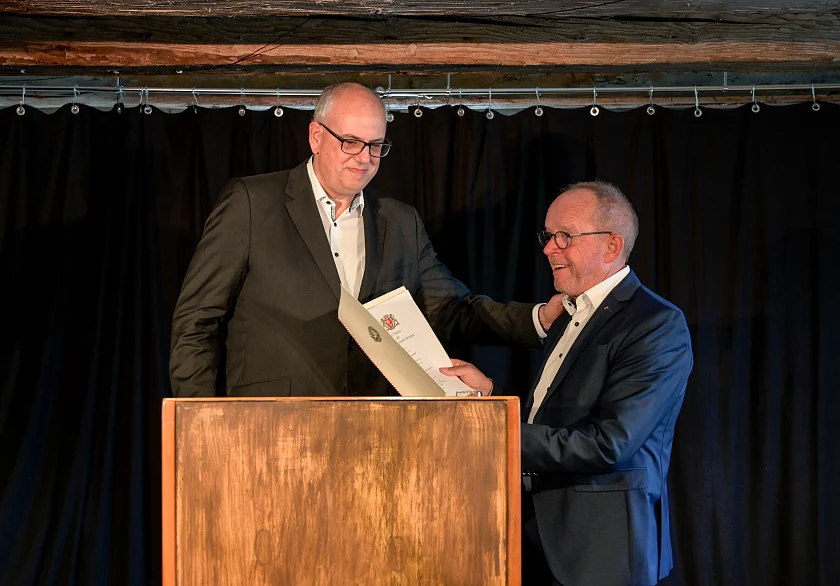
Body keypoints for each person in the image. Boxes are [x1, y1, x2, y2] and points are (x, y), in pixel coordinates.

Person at [170, 82, 564, 398]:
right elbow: (196, 321)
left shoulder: (399, 221)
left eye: (376, 146)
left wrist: (539, 317)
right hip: (269, 425)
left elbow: (453, 309)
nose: (364, 158)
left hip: (374, 431)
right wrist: (199, 421)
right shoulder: (252, 203)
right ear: (315, 137)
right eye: (351, 141)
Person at [441, 182, 693, 586]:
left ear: (611, 246)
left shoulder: (656, 325)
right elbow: (555, 416)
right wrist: (487, 399)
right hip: (538, 539)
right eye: (548, 236)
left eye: (564, 237)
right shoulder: (571, 313)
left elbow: (608, 444)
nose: (548, 249)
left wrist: (491, 429)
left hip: (600, 553)